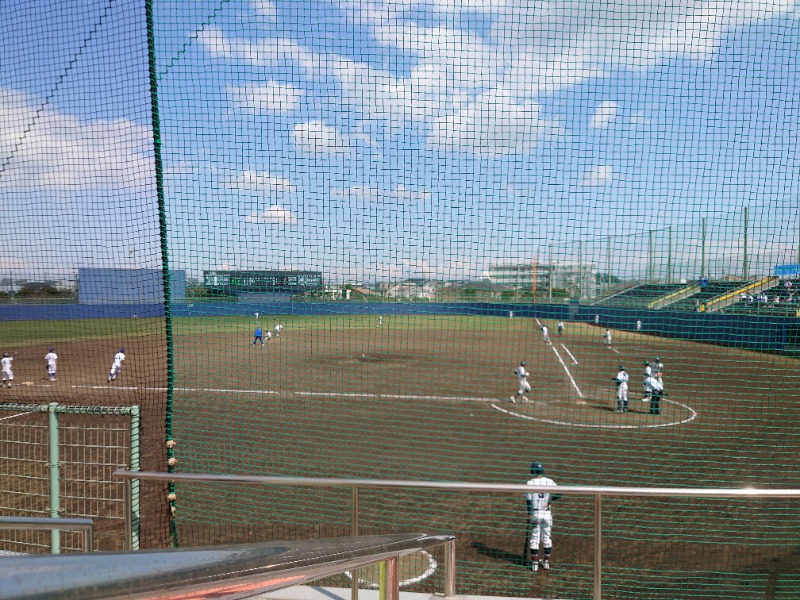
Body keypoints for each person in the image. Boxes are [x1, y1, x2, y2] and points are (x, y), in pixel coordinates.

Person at [526, 462, 560, 572]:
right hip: (547, 513)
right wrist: (549, 501)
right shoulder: (549, 481)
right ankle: (546, 562)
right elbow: (558, 494)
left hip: (536, 513)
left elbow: (529, 501)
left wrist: (529, 513)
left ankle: (534, 564)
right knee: (547, 537)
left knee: (535, 538)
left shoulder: (530, 483)